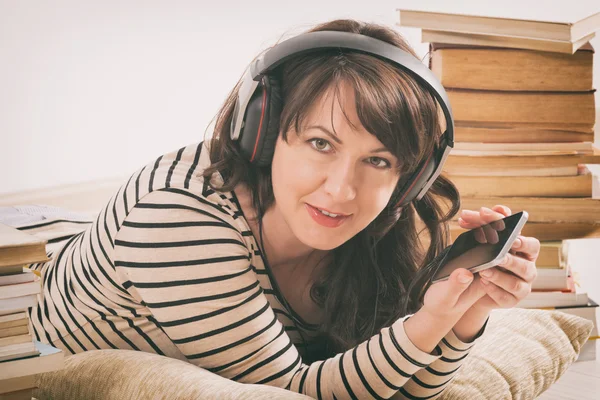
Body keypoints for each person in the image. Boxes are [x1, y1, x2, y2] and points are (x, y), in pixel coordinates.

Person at [21, 19, 539, 399]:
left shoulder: (378, 225)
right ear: (264, 135)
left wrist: (463, 311)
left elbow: (406, 387)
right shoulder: (176, 219)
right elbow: (294, 392)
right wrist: (427, 324)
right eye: (320, 143)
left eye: (377, 160)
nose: (342, 190)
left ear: (411, 177)